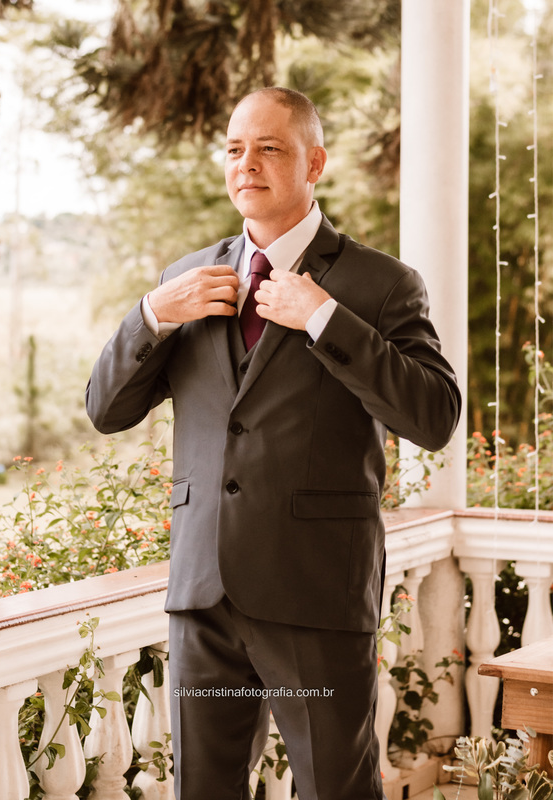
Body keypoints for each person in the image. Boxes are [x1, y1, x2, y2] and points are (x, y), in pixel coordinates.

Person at [85, 87, 461, 799]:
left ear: (314, 162)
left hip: (316, 598)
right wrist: (148, 316)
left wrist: (326, 319)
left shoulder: (380, 285)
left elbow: (435, 416)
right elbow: (105, 410)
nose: (246, 163)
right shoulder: (185, 279)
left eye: (270, 148)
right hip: (203, 596)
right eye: (234, 148)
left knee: (334, 790)